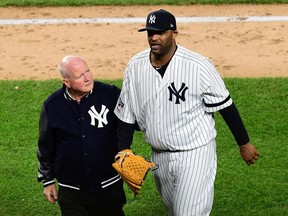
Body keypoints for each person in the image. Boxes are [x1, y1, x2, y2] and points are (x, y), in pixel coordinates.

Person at [114, 9, 260, 216]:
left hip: (194, 155)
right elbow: (126, 113)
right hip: (159, 158)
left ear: (174, 33)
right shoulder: (135, 66)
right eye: (150, 32)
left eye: (160, 32)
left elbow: (225, 105)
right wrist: (124, 149)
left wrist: (244, 143)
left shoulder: (198, 66)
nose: (154, 37)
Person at [37, 55, 126, 216]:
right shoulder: (52, 106)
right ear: (66, 82)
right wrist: (47, 181)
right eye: (80, 76)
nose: (87, 78)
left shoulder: (110, 95)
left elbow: (131, 123)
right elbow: (45, 146)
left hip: (108, 185)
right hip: (71, 190)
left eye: (88, 71)